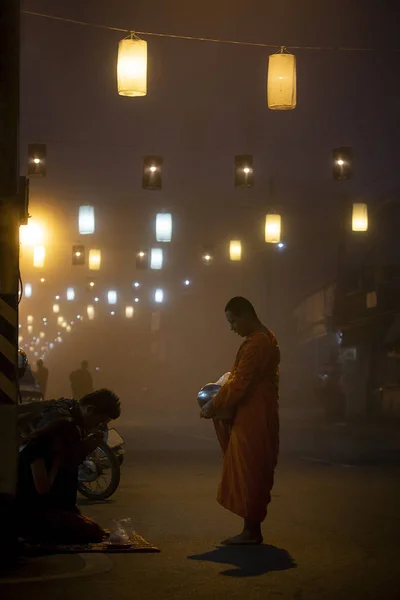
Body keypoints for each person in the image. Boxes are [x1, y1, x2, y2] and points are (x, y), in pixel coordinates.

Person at [201, 297, 280, 545]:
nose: (232, 327)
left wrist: (213, 405)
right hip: (260, 410)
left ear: (246, 315)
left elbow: (239, 383)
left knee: (249, 469)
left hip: (254, 414)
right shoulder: (268, 337)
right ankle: (251, 529)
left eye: (233, 321)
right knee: (253, 468)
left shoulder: (256, 344)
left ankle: (251, 531)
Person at [16, 389, 121, 544]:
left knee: (91, 529)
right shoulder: (40, 449)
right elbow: (44, 489)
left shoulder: (68, 416)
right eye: (99, 421)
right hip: (36, 512)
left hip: (52, 508)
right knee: (90, 531)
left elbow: (69, 465)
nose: (97, 427)